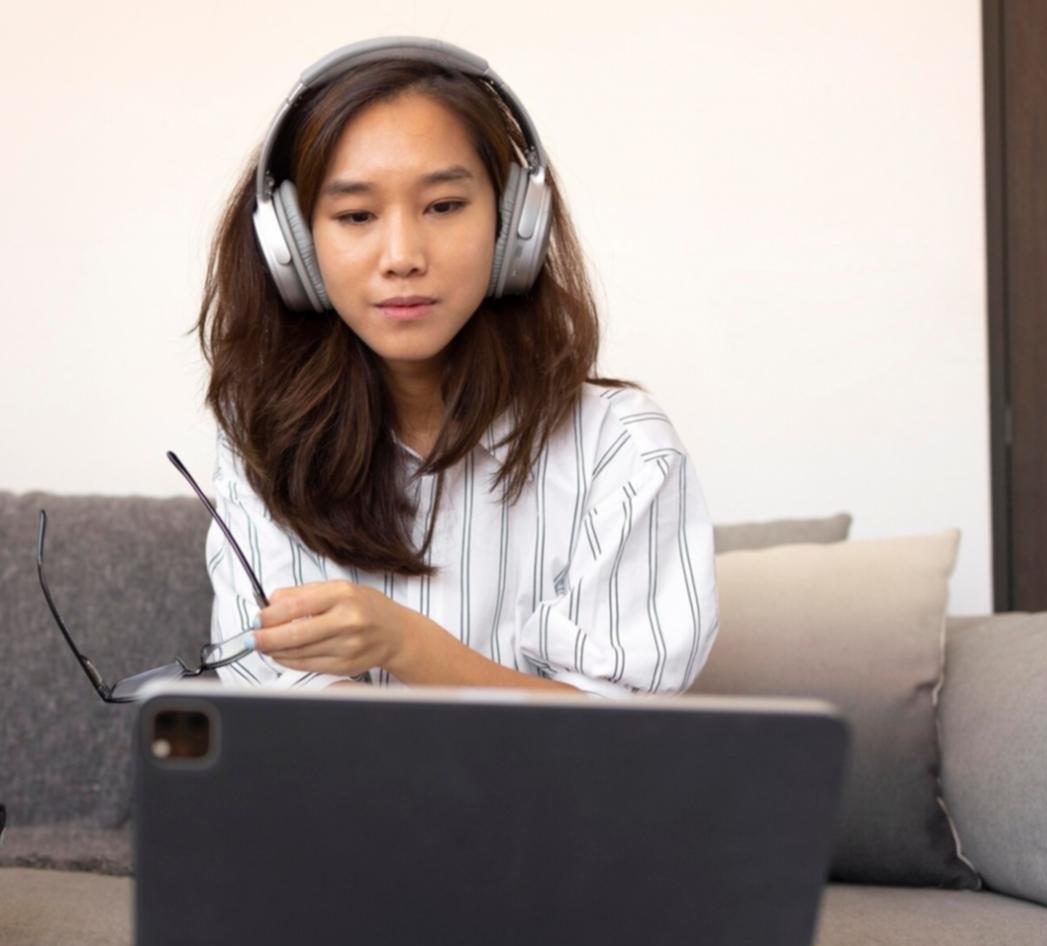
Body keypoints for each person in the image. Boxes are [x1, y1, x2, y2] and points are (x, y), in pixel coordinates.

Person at [191, 37, 718, 695]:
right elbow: (275, 710)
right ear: (292, 250)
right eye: (355, 215)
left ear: (514, 227)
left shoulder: (626, 453)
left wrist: (405, 644)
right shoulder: (262, 441)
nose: (403, 255)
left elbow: (621, 745)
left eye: (443, 206)